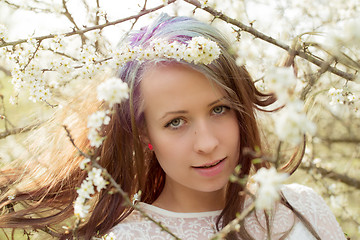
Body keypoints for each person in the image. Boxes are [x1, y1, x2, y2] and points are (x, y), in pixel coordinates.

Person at [0, 13, 346, 240]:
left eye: (220, 109)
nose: (207, 143)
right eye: (176, 122)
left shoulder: (302, 208)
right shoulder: (130, 238)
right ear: (144, 132)